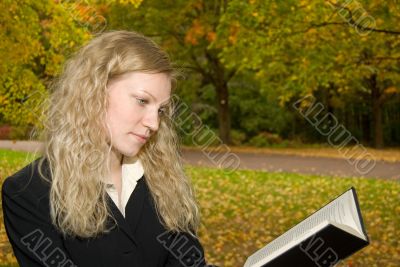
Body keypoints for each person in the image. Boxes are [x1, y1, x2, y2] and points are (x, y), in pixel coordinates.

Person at [2, 30, 214, 267]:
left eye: (161, 110)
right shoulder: (28, 193)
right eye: (142, 101)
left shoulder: (165, 181)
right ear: (94, 91)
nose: (154, 123)